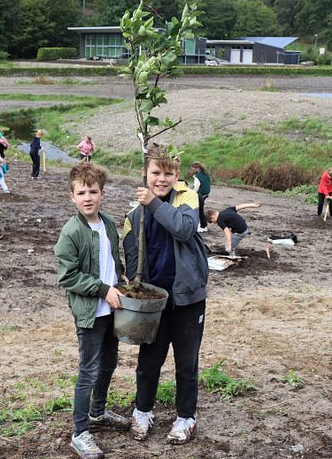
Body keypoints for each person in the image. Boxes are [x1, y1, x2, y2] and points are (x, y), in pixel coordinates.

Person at [122, 144, 208, 445]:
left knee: (187, 362)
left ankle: (186, 417)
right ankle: (142, 411)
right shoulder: (134, 215)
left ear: (177, 175)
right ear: (145, 173)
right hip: (154, 304)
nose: (161, 179)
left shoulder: (187, 198)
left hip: (188, 298)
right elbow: (133, 260)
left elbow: (185, 230)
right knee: (149, 362)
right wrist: (134, 287)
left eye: (167, 173)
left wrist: (154, 205)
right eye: (155, 173)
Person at [54, 162, 130, 459]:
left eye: (93, 192)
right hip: (91, 312)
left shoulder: (109, 223)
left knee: (110, 362)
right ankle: (79, 432)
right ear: (72, 197)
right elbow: (68, 276)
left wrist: (120, 275)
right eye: (81, 192)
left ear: (103, 194)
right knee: (89, 370)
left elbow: (112, 257)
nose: (88, 197)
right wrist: (102, 289)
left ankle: (98, 413)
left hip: (113, 308)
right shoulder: (71, 232)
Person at [191, 162, 211, 233]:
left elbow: (196, 187)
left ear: (196, 168)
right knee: (200, 209)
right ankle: (202, 224)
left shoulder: (197, 176)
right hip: (206, 193)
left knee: (200, 210)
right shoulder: (206, 173)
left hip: (200, 195)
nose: (192, 171)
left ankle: (203, 226)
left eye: (193, 169)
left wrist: (191, 193)